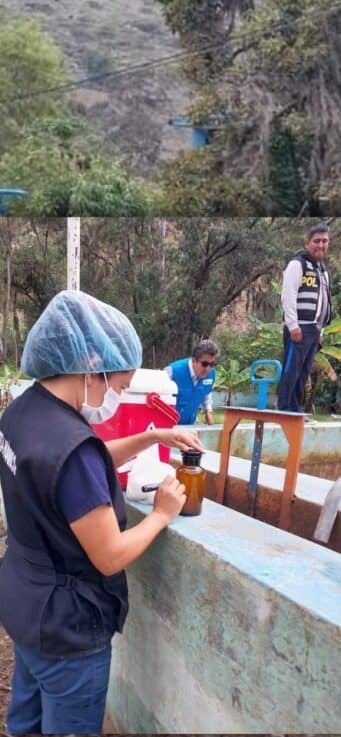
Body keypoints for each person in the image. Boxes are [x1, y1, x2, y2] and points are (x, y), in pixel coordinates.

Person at [0, 291, 204, 734]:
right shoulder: (70, 448)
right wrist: (161, 514)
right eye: (120, 384)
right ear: (92, 369)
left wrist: (153, 438)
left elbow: (73, 466)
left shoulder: (24, 412)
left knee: (26, 724)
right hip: (67, 629)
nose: (118, 395)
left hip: (25, 604)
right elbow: (109, 555)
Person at [278, 223, 333, 414]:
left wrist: (321, 330)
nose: (321, 245)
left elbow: (323, 302)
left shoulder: (322, 270)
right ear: (308, 242)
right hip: (299, 328)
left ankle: (295, 409)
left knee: (303, 372)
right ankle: (285, 408)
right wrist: (293, 325)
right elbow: (288, 295)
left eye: (324, 241)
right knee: (291, 370)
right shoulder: (297, 264)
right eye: (317, 241)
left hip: (314, 329)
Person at [165, 339, 219, 425]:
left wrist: (208, 412)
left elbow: (207, 394)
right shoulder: (172, 371)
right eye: (204, 364)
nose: (208, 369)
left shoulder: (211, 374)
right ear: (194, 360)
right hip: (169, 427)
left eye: (212, 364)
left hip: (190, 425)